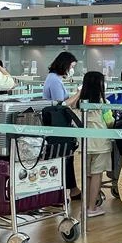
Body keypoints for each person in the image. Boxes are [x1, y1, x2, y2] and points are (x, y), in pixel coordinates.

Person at [73, 71, 113, 218]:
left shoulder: (79, 103)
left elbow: (67, 105)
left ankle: (85, 206)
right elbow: (110, 122)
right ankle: (92, 208)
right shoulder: (104, 104)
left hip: (84, 144)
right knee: (97, 175)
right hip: (100, 143)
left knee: (87, 175)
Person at [43, 51, 81, 199]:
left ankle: (71, 189)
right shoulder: (54, 80)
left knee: (66, 156)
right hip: (56, 124)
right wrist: (78, 93)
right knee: (63, 156)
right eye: (71, 66)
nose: (72, 70)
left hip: (58, 123)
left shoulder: (55, 79)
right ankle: (66, 190)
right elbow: (61, 104)